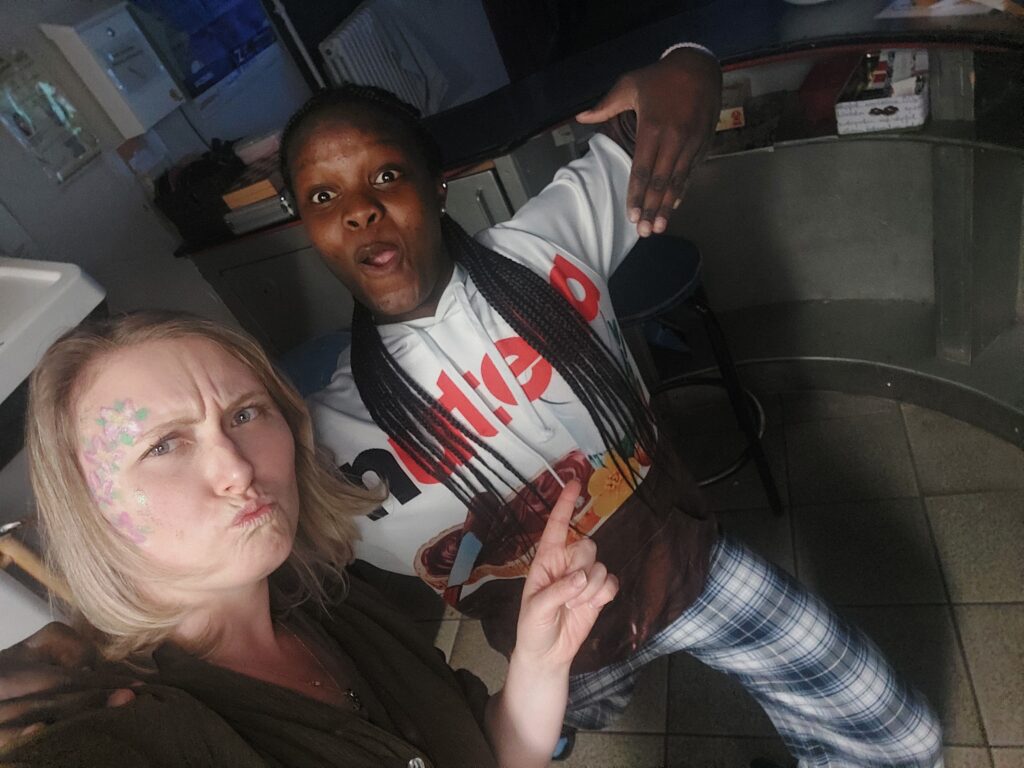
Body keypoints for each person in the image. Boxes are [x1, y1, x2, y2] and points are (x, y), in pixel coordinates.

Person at [1, 47, 943, 767]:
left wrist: (688, 65)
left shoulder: (544, 251)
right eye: (324, 196)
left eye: (385, 177)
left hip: (685, 571)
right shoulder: (320, 436)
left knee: (895, 736)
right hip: (556, 643)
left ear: (435, 179)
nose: (361, 211)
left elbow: (668, 103)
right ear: (306, 224)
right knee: (524, 730)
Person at [0, 311, 618, 767]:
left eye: (245, 414)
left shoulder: (334, 596)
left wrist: (540, 662)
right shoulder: (125, 726)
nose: (237, 469)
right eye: (163, 445)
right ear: (87, 507)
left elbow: (489, 752)